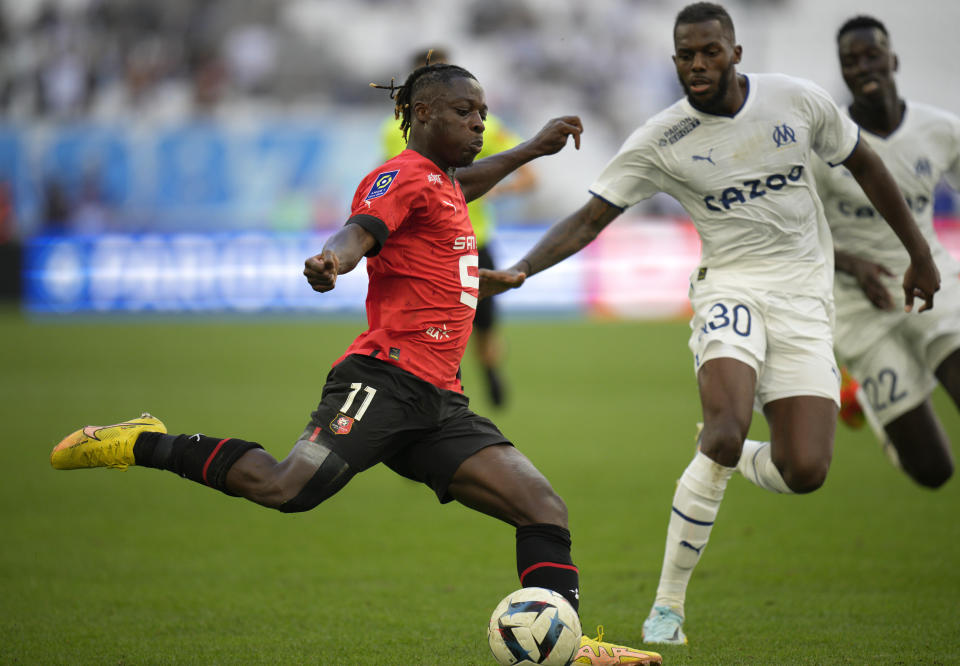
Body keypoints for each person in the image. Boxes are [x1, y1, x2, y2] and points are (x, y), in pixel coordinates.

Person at [49, 61, 661, 665]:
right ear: (422, 114)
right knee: (284, 488)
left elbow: (474, 183)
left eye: (482, 113)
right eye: (465, 112)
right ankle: (144, 443)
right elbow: (357, 232)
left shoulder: (446, 182)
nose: (479, 124)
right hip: (382, 381)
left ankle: (567, 641)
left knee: (541, 507)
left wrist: (530, 152)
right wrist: (331, 261)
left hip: (438, 403)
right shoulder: (399, 176)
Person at [480, 2, 941, 646]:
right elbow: (590, 217)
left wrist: (919, 253)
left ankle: (730, 448)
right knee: (725, 429)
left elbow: (866, 165)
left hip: (806, 300)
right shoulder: (661, 139)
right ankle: (668, 608)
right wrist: (525, 268)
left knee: (805, 469)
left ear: (735, 52)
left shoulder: (797, 103)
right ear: (674, 60)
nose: (697, 65)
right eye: (685, 55)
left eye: (709, 52)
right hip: (731, 290)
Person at [812, 15, 960, 488]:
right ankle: (868, 403)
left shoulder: (940, 131)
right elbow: (796, 231)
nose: (862, 67)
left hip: (933, 282)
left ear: (892, 59)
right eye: (849, 61)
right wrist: (851, 263)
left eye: (871, 54)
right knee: (933, 471)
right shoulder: (821, 146)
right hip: (860, 306)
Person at [381, 47, 535, 408]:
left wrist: (488, 189)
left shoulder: (485, 125)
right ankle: (446, 382)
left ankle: (487, 374)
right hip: (423, 246)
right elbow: (387, 180)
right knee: (438, 322)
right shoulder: (392, 132)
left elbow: (528, 176)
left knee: (481, 324)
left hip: (472, 239)